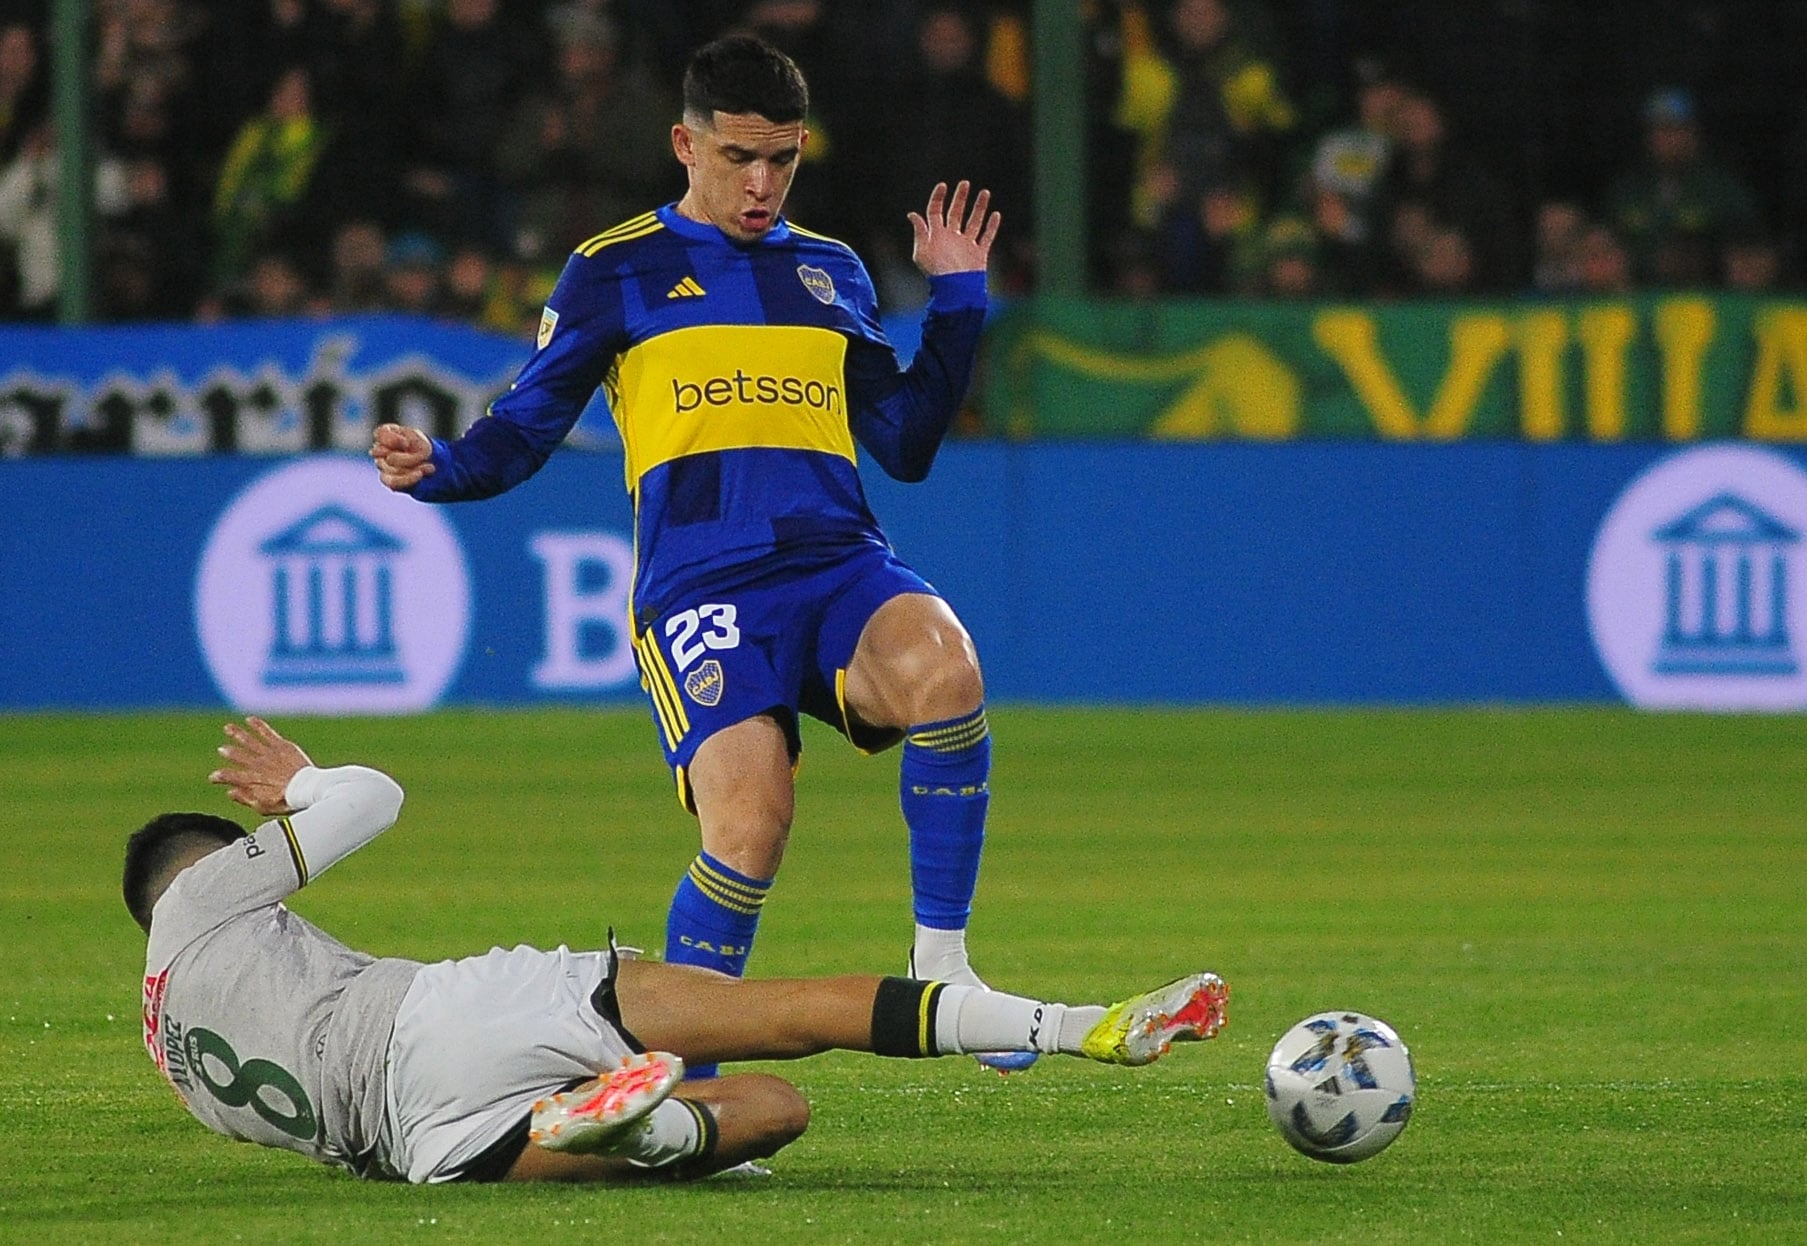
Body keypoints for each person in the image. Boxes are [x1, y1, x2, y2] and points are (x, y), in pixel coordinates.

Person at [370, 35, 1018, 1072]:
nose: (762, 185)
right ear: (685, 144)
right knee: (752, 826)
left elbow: (902, 441)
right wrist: (440, 464)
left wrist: (957, 304)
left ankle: (943, 964)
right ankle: (689, 1083)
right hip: (702, 585)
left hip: (836, 557)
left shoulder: (830, 269)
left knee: (947, 665)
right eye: (738, 159)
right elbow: (525, 429)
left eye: (783, 160)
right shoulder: (613, 270)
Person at [126, 717, 1231, 1184]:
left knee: (763, 1121)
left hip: (432, 1145)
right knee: (788, 1013)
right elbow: (375, 798)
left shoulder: (173, 1059)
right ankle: (1074, 1027)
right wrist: (302, 788)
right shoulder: (200, 893)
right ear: (211, 865)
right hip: (440, 1018)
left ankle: (637, 1128)